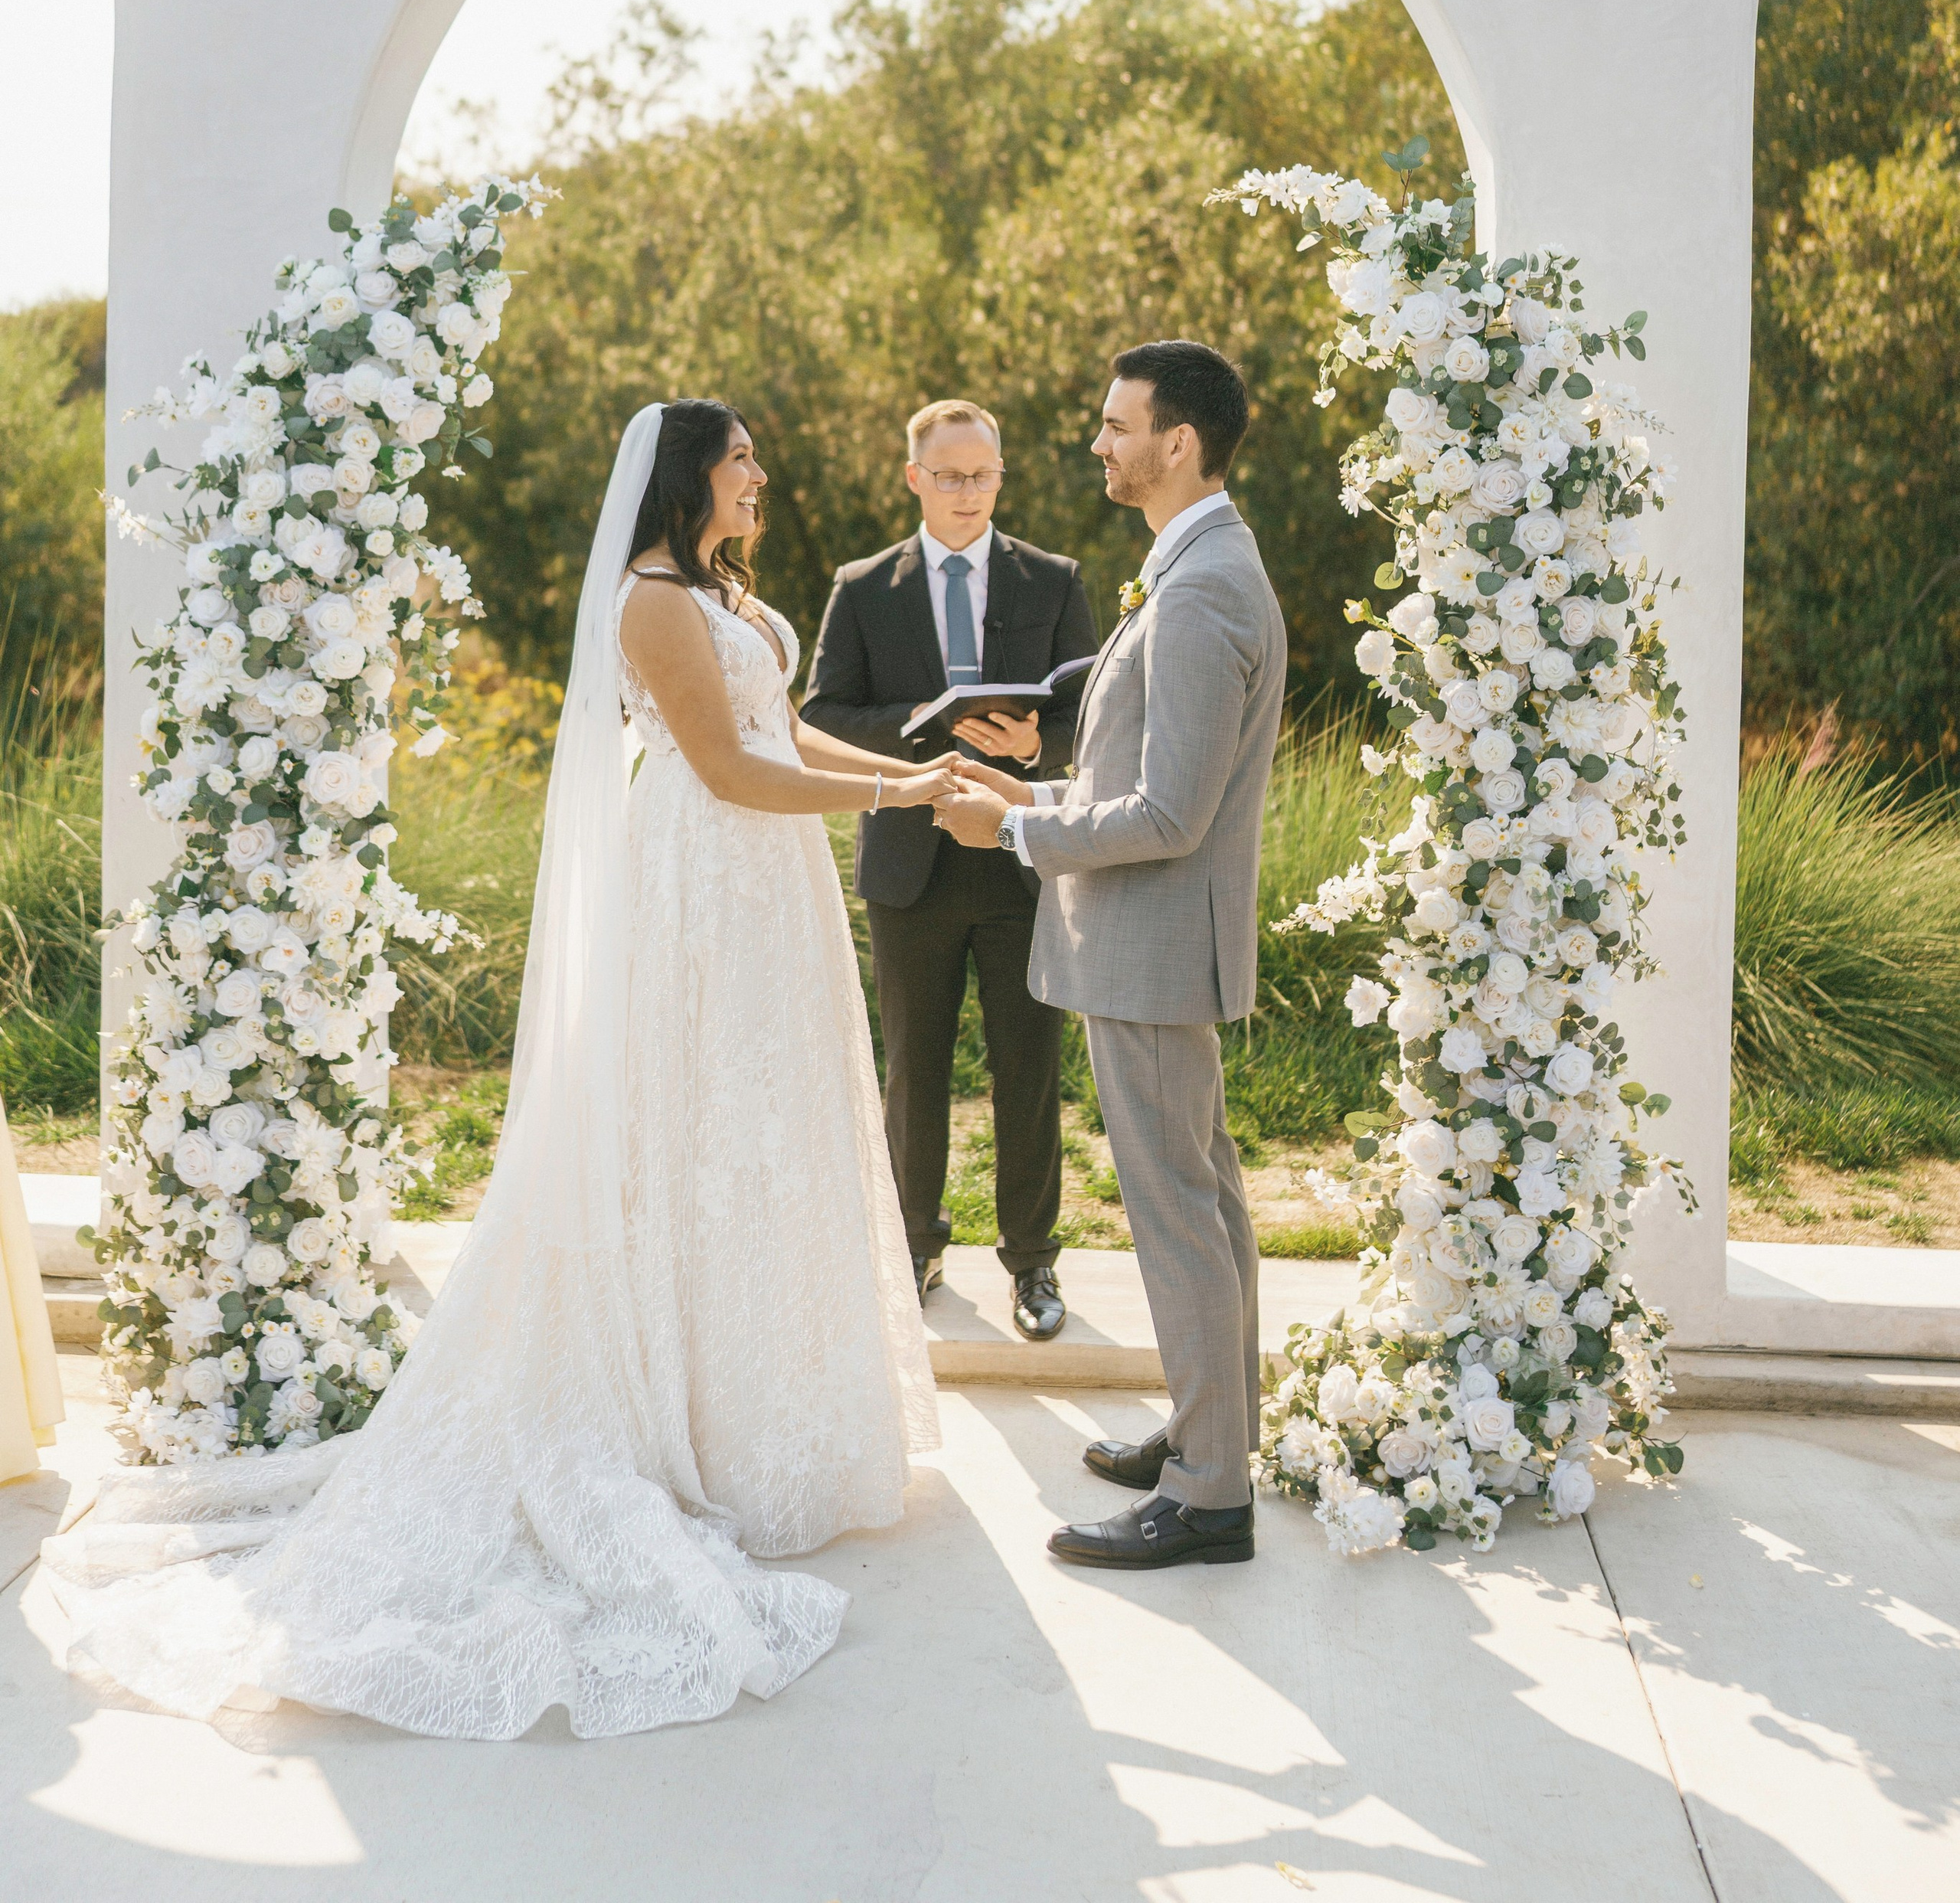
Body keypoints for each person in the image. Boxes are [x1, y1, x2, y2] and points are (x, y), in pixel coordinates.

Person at [47, 401, 955, 1738]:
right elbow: (724, 769)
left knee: (767, 1142)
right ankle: (685, 1432)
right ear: (688, 474)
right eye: (745, 456)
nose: (763, 475)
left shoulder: (722, 591)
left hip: (772, 895)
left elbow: (786, 737)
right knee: (694, 1142)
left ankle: (774, 1422)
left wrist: (912, 774)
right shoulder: (653, 599)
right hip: (702, 888)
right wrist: (897, 801)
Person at [934, 342, 1285, 1571]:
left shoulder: (1199, 592)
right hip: (1155, 944)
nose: (1098, 444)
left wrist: (1017, 828)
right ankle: (1213, 1437)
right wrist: (1025, 781)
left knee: (1179, 1212)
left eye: (1116, 425)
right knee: (1212, 1199)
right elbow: (1140, 777)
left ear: (1177, 442)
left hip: (1150, 947)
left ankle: (1207, 1495)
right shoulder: (1195, 563)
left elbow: (1170, 817)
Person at [803, 400, 1096, 1339]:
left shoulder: (1052, 580)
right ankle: (915, 1248)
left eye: (983, 474)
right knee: (913, 1069)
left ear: (1001, 476)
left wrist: (1033, 738)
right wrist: (924, 730)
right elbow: (820, 718)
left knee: (1029, 1067)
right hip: (911, 862)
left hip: (1022, 857)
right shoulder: (861, 586)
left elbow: (1093, 717)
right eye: (950, 475)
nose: (968, 491)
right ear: (914, 478)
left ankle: (1033, 1267)